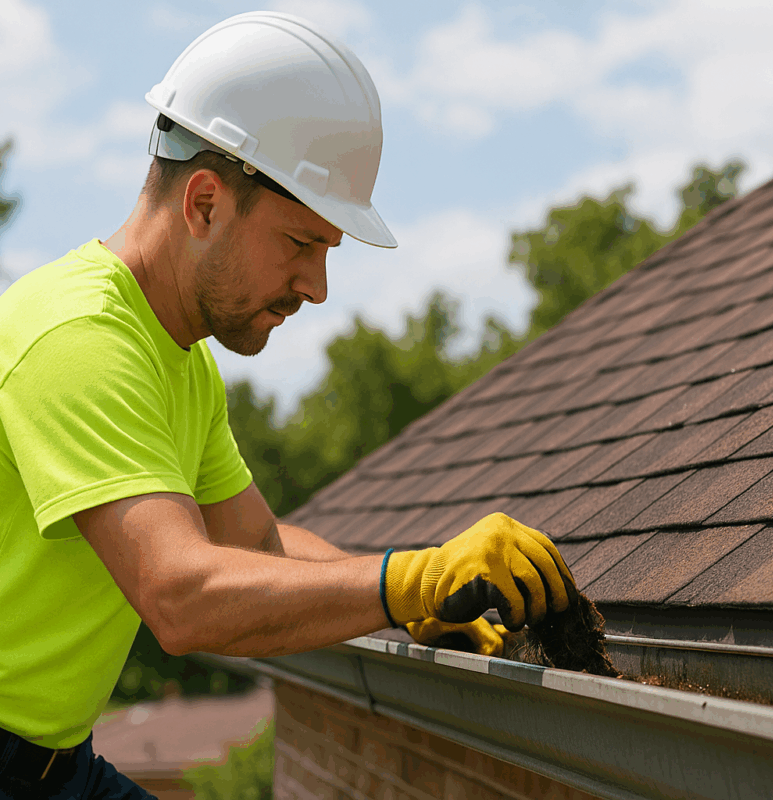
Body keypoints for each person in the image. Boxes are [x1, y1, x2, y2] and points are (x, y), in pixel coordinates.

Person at [0, 12, 575, 799]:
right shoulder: (77, 337)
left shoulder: (179, 362)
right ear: (204, 203)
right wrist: (404, 581)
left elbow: (259, 548)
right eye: (302, 245)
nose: (318, 287)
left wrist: (421, 595)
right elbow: (183, 597)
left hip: (51, 766)